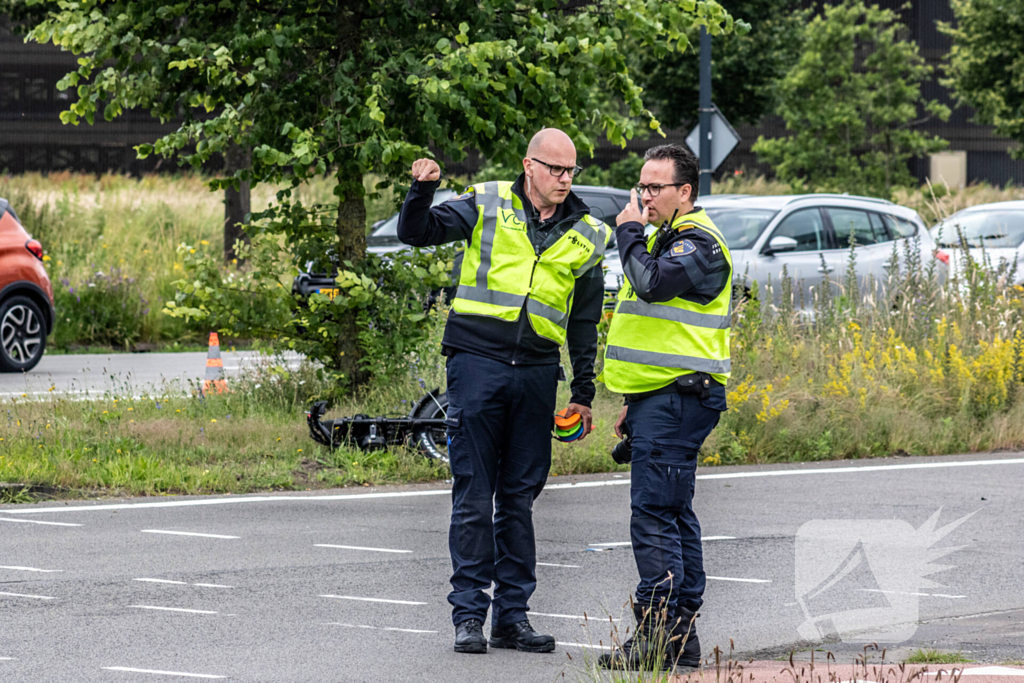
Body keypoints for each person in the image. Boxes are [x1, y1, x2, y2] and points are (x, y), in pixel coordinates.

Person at [397, 128, 610, 655]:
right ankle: (469, 615)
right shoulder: (487, 202)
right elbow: (415, 232)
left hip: (537, 372)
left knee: (519, 500)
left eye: (571, 171)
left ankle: (512, 618)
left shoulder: (588, 232)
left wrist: (584, 391)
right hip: (477, 363)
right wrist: (421, 189)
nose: (564, 179)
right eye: (555, 169)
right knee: (474, 495)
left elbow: (584, 320)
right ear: (529, 166)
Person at [597, 144, 732, 671]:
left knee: (654, 517)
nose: (644, 196)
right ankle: (681, 638)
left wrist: (627, 231)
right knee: (673, 515)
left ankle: (658, 635)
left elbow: (650, 285)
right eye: (641, 186)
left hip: (681, 400)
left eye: (656, 187)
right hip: (663, 398)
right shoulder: (667, 237)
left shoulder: (700, 245)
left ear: (686, 192)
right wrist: (635, 403)